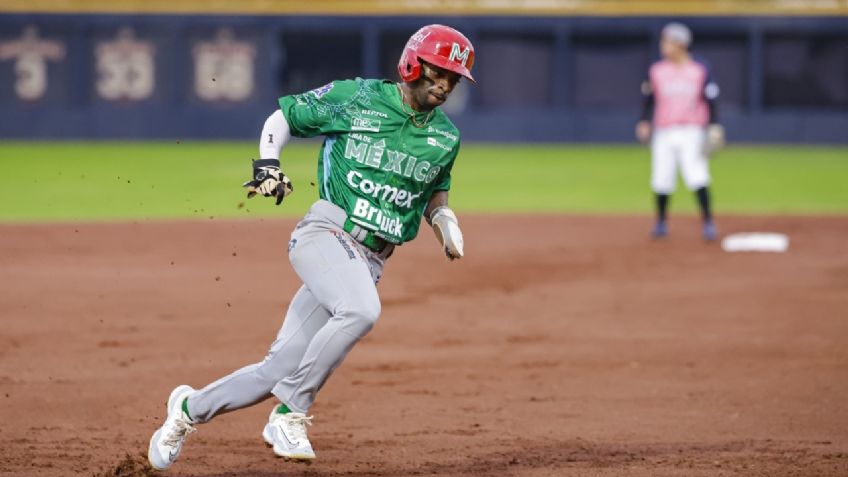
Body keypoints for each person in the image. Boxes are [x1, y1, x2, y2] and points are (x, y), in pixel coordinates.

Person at [147, 24, 474, 471]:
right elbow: (283, 118)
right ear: (413, 63)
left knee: (274, 371)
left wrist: (442, 217)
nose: (445, 84)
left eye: (454, 78)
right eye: (440, 71)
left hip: (372, 258)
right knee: (361, 311)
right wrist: (267, 164)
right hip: (327, 233)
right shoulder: (357, 98)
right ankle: (289, 413)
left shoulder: (445, 139)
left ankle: (186, 411)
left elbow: (435, 188)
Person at [636, 22, 725, 241]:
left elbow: (711, 99)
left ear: (681, 44)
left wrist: (714, 125)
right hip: (664, 131)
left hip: (691, 131)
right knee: (661, 177)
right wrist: (644, 121)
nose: (663, 45)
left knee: (697, 175)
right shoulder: (657, 70)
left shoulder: (699, 69)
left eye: (667, 41)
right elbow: (649, 100)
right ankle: (660, 222)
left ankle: (708, 222)